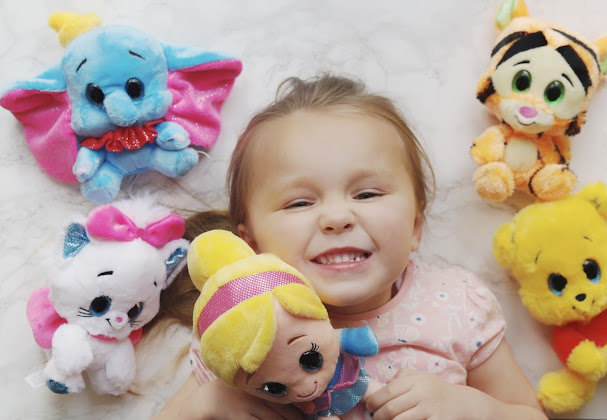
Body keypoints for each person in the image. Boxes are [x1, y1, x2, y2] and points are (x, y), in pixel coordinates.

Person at [153, 74, 547, 419]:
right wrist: (206, 405)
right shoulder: (238, 325)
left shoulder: (456, 304)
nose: (337, 217)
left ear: (415, 226)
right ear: (251, 246)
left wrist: (473, 409)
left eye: (367, 194)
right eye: (299, 203)